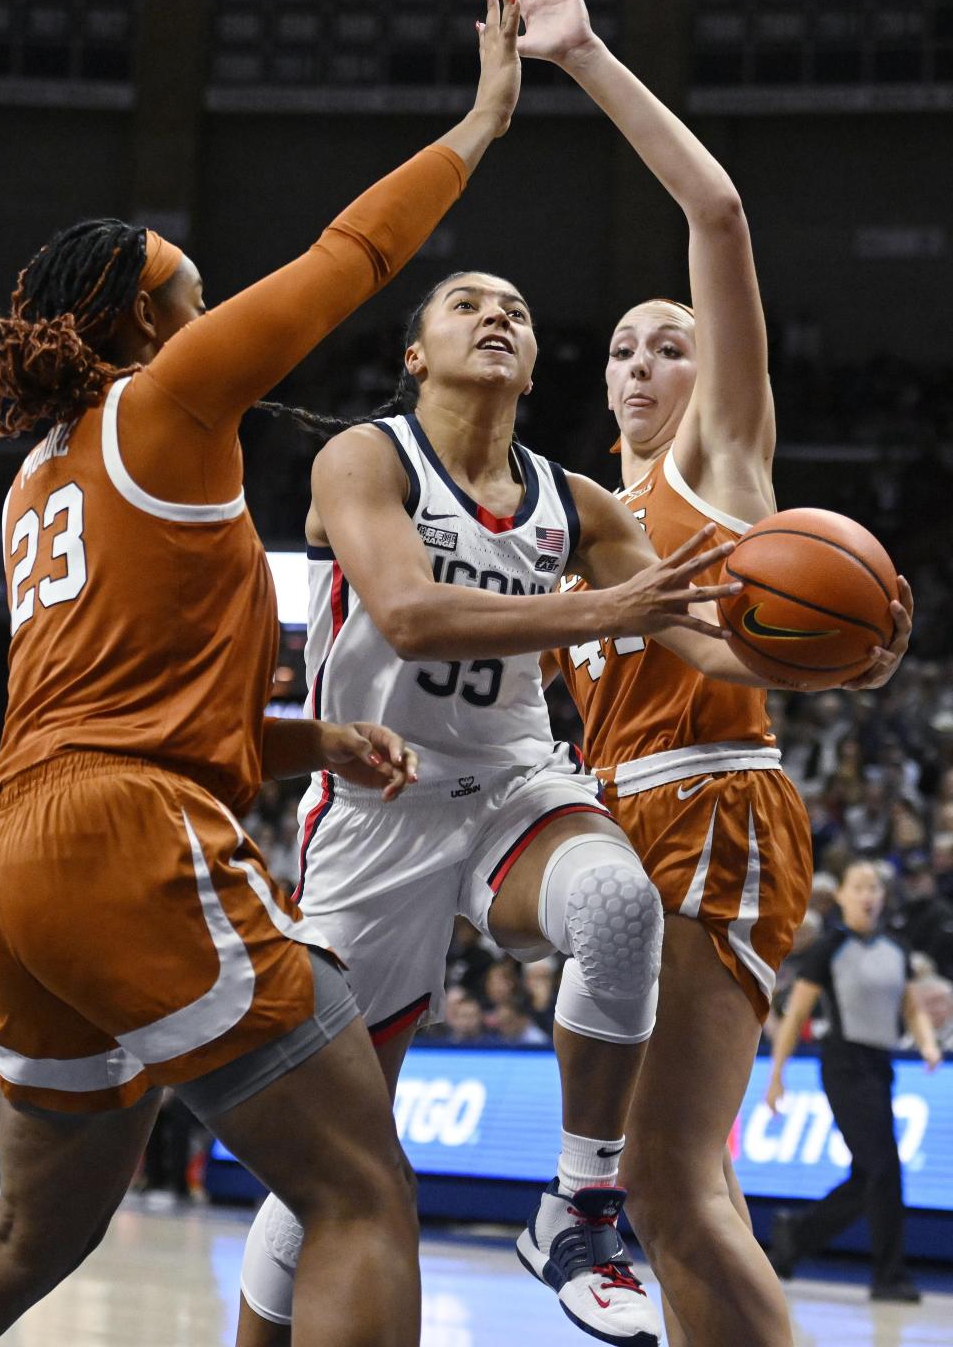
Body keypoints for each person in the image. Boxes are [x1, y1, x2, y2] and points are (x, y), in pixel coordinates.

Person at [0, 0, 523, 1344]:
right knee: (357, 1189)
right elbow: (352, 254)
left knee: (34, 1233)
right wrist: (482, 120)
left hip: (23, 852)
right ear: (143, 320)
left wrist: (311, 740)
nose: (215, 303)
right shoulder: (166, 399)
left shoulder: (36, 487)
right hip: (129, 835)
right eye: (195, 292)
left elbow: (135, 694)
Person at [478, 0, 914, 1347]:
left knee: (671, 1185)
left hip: (715, 805)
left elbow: (715, 213)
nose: (645, 362)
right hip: (611, 832)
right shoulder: (581, 522)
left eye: (668, 345)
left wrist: (583, 55)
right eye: (622, 348)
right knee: (655, 1204)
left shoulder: (723, 468)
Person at [236, 307, 778, 1341]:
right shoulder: (363, 457)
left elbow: (707, 645)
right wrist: (599, 612)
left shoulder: (571, 504)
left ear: (533, 365)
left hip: (512, 788)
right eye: (468, 303)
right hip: (373, 813)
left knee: (621, 903)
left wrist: (836, 655)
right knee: (343, 1146)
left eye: (521, 313)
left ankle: (578, 1205)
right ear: (414, 354)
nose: (499, 315)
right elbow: (408, 612)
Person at [766, 860, 941, 1301]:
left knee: (869, 1173)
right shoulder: (830, 947)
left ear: (882, 898)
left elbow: (912, 1007)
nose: (868, 895)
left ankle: (796, 1235)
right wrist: (777, 1076)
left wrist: (927, 1044)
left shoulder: (896, 949)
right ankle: (889, 1277)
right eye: (859, 887)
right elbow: (796, 1015)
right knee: (885, 1169)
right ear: (841, 896)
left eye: (874, 888)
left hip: (880, 1066)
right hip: (843, 1065)